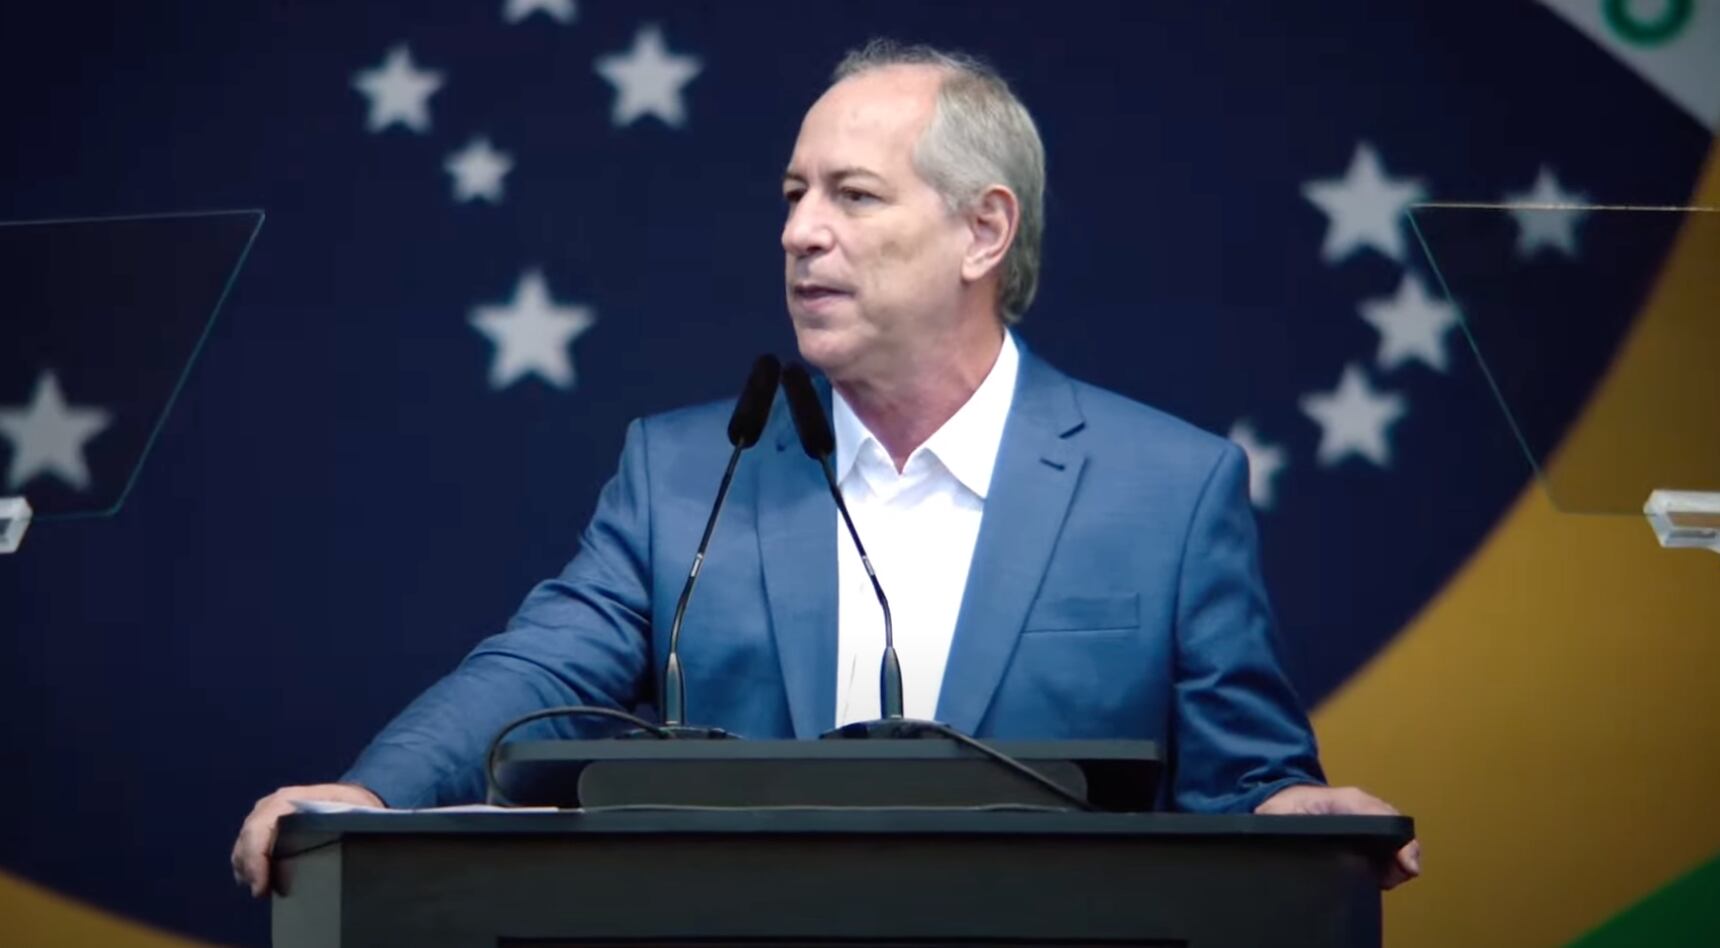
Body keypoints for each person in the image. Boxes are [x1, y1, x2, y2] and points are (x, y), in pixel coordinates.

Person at [233, 39, 1421, 896]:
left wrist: (1288, 813)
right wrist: (373, 797)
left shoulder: (1167, 488)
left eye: (853, 196)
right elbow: (537, 671)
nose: (802, 231)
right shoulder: (688, 470)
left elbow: (1245, 778)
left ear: (983, 231)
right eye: (796, 196)